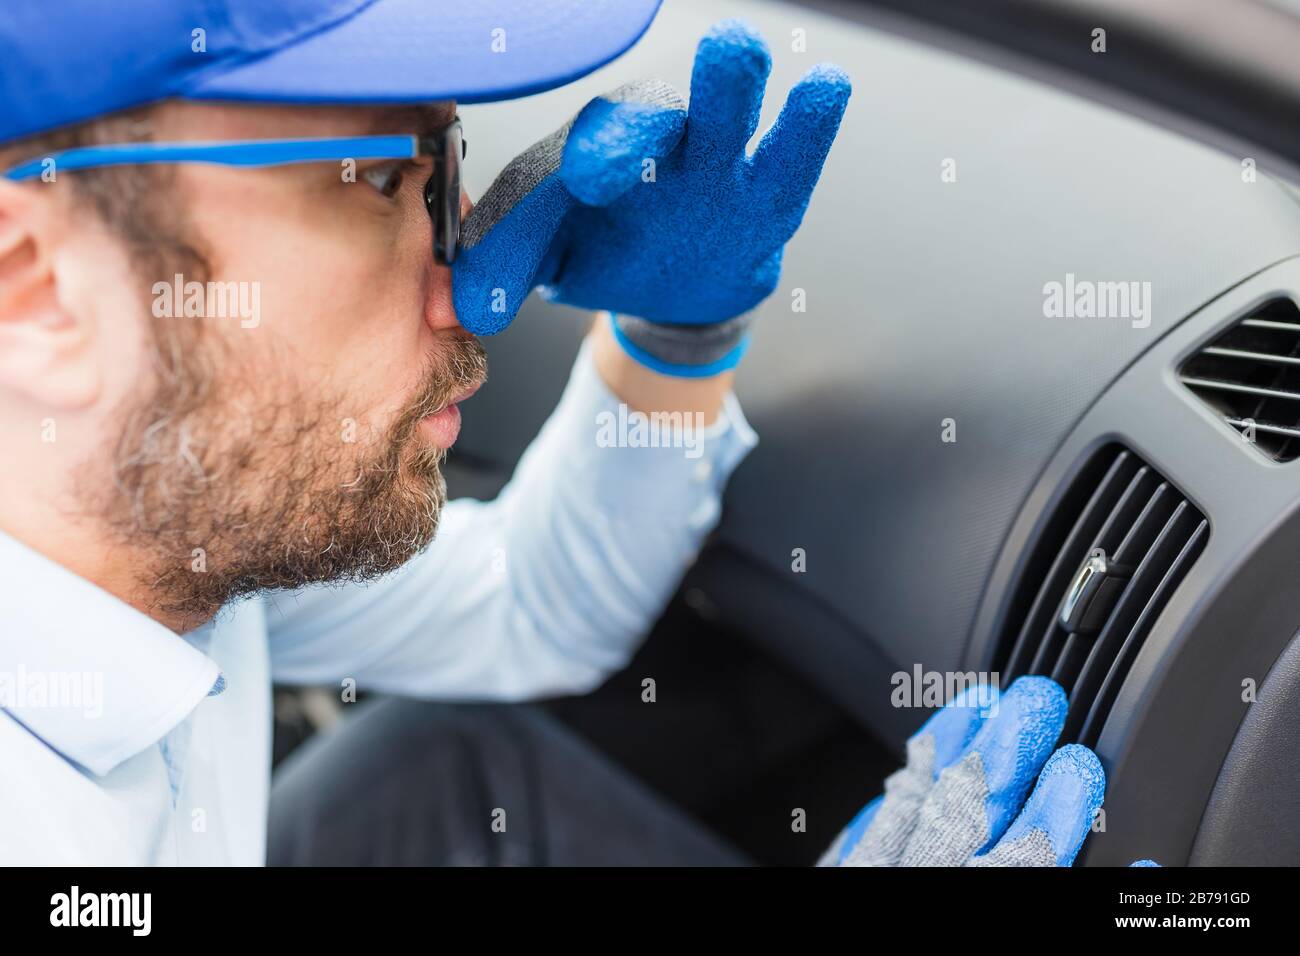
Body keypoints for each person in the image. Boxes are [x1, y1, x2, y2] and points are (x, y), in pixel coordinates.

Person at [0, 0, 1103, 866]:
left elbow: (531, 606)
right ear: (35, 289)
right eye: (379, 179)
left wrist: (679, 333)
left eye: (445, 178)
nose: (467, 288)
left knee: (450, 764)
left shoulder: (164, 527)